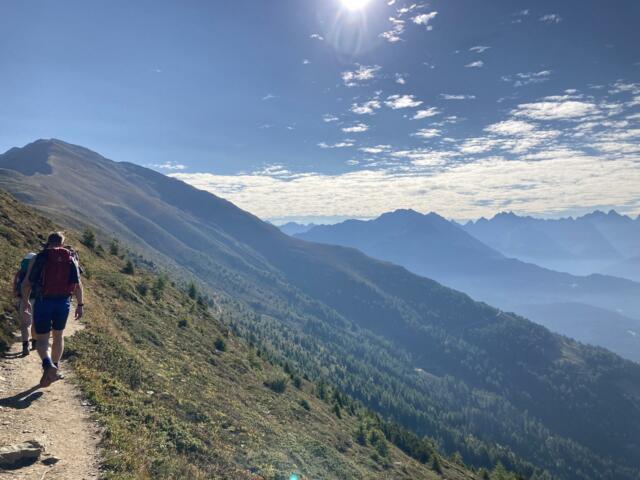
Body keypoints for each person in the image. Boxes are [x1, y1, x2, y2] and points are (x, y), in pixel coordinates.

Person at [21, 232, 84, 388]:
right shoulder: (71, 257)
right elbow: (78, 284)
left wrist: (26, 301)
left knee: (42, 339)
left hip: (43, 301)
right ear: (62, 243)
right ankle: (55, 366)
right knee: (58, 336)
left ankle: (48, 365)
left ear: (47, 242)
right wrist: (80, 305)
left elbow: (27, 282)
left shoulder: (39, 257)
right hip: (63, 302)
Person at [13, 252, 38, 356]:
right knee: (35, 322)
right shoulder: (39, 272)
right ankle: (35, 343)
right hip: (37, 300)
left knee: (25, 324)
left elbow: (15, 288)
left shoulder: (19, 273)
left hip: (23, 299)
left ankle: (25, 345)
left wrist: (17, 296)